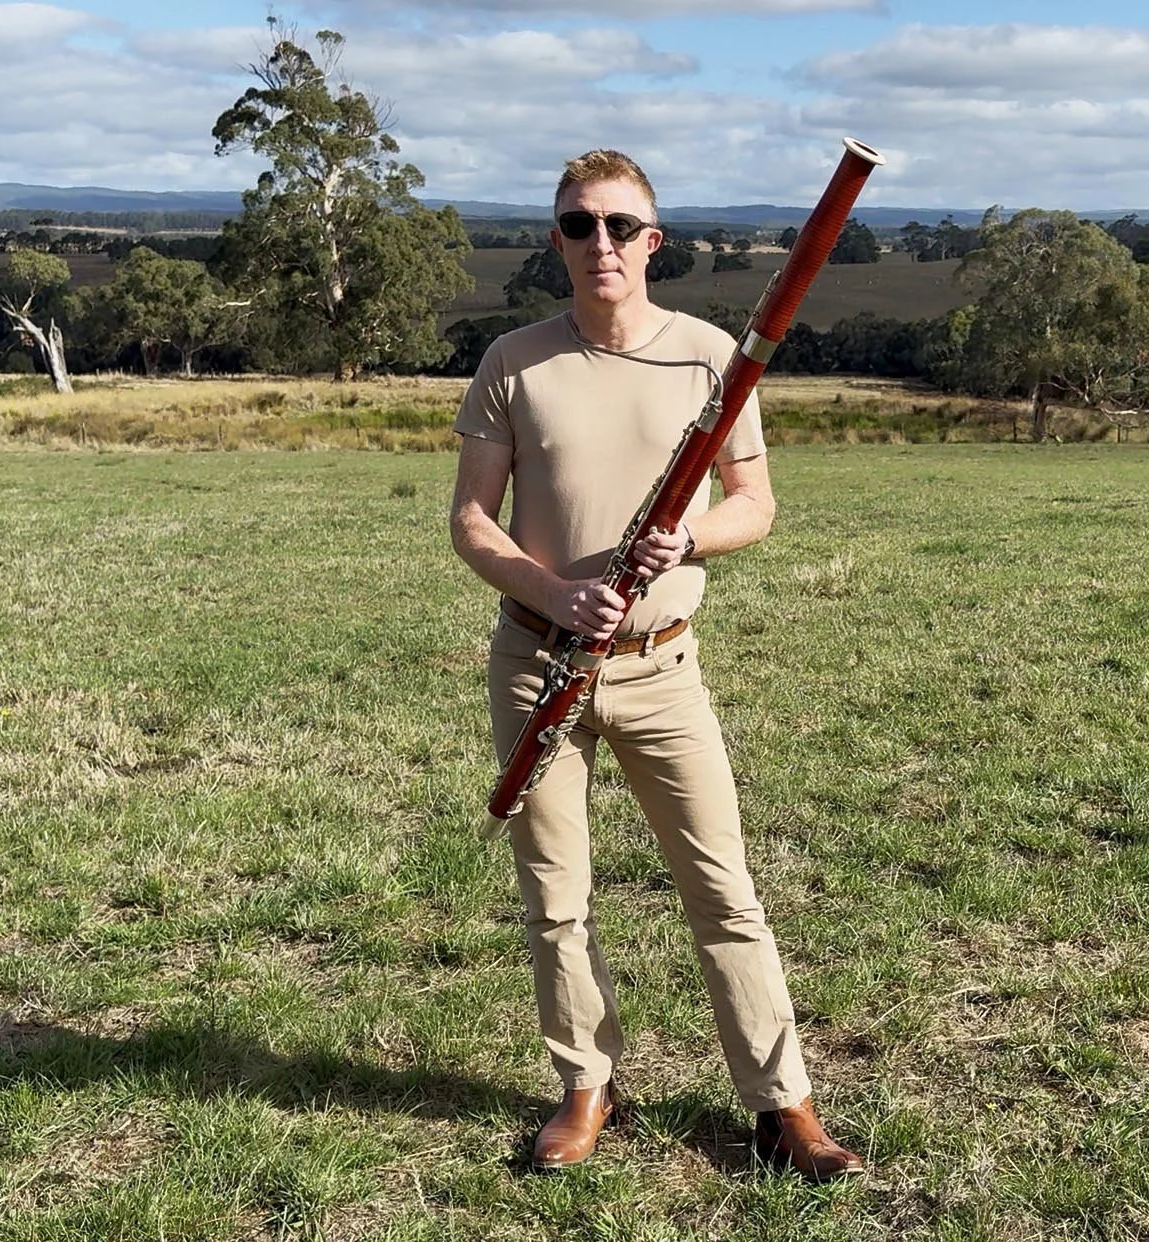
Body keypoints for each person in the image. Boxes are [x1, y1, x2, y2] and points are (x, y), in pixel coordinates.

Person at [448, 149, 862, 1181]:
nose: (602, 245)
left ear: (653, 242)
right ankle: (586, 1088)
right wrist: (552, 594)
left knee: (723, 891)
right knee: (553, 896)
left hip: (660, 668)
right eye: (580, 225)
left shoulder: (711, 356)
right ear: (556, 239)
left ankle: (782, 1107)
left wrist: (692, 542)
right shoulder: (512, 359)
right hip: (537, 660)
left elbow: (755, 505)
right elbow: (468, 522)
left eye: (621, 227)